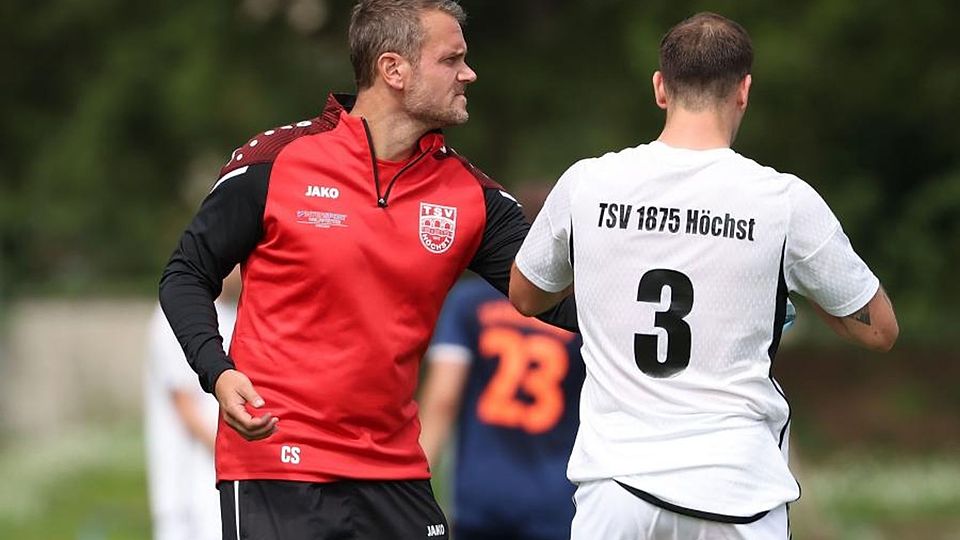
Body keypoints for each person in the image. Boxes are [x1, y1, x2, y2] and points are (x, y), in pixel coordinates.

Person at [158, 1, 575, 539]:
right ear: (393, 69)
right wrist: (217, 371)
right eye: (452, 59)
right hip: (278, 465)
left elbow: (553, 298)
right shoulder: (276, 161)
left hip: (395, 471)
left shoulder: (471, 196)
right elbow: (186, 273)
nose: (469, 73)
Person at [510, 12, 898, 540]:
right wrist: (780, 292)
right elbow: (879, 329)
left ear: (660, 88)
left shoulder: (588, 183)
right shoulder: (782, 201)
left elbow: (526, 294)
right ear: (744, 91)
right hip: (734, 489)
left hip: (616, 487)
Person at [418, 188, 586, 540]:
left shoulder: (468, 303)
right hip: (558, 497)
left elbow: (443, 400)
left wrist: (415, 482)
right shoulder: (580, 315)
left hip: (482, 492)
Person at [144, 267, 240, 540]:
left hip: (224, 483)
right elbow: (185, 406)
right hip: (186, 488)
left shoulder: (236, 314)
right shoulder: (176, 312)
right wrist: (240, 450)